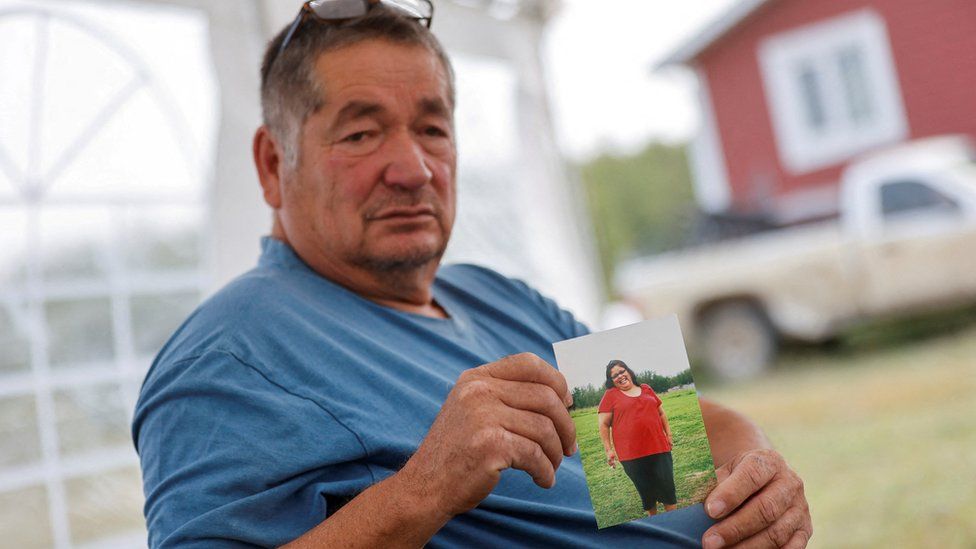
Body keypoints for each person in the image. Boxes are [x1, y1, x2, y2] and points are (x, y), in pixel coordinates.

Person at [132, 1, 813, 548]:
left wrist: (759, 478)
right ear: (272, 166)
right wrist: (423, 490)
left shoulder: (497, 295)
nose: (414, 169)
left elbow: (685, 440)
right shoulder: (224, 357)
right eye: (361, 133)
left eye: (432, 129)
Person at [599, 360, 677, 517]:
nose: (620, 376)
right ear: (611, 380)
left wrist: (668, 435)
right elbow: (603, 425)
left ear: (628, 371)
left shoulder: (646, 389)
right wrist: (609, 450)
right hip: (631, 456)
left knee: (668, 491)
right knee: (647, 495)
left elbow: (661, 413)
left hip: (659, 447)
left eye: (622, 371)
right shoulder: (610, 395)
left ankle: (674, 521)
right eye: (615, 375)